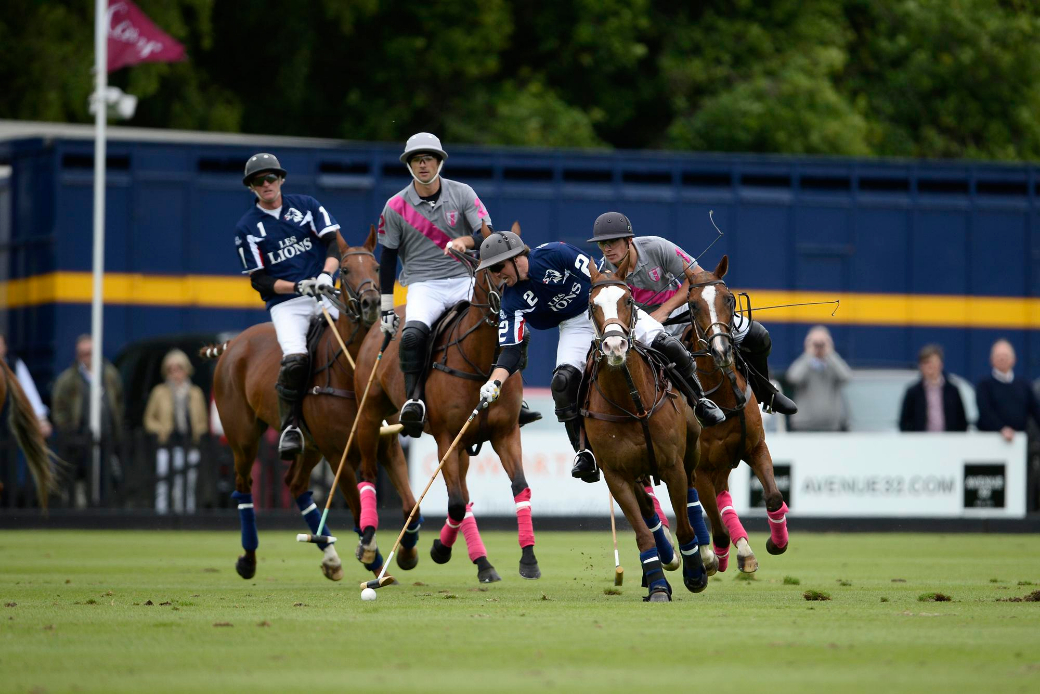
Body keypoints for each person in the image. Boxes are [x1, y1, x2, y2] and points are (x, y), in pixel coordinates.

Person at [472, 230, 725, 483]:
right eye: (491, 271)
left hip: (604, 307)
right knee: (562, 382)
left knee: (665, 343)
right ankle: (584, 452)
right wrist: (494, 382)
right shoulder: (510, 301)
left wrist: (613, 314)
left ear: (516, 258)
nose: (496, 276)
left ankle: (699, 401)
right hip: (574, 325)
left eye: (498, 268)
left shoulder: (555, 253)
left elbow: (603, 279)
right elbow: (511, 350)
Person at [377, 132, 538, 437]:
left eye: (428, 159)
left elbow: (487, 235)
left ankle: (515, 397)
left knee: (515, 330)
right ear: (409, 165)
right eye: (416, 160)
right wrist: (387, 306)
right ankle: (414, 401)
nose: (423, 165)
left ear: (439, 162)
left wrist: (466, 240)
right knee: (411, 336)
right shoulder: (395, 206)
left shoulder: (462, 193)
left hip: (465, 277)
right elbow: (387, 257)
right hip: (424, 284)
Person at [590, 211, 797, 415]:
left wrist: (665, 309)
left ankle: (767, 393)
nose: (607, 249)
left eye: (613, 241)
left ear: (628, 240)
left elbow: (696, 277)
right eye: (602, 244)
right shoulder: (603, 271)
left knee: (757, 335)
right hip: (646, 326)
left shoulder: (657, 247)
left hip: (681, 310)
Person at [233, 152, 343, 459]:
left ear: (281, 179)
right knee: (296, 359)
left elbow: (333, 243)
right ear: (252, 187)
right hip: (286, 303)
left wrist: (325, 273)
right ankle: (291, 425)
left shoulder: (306, 206)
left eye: (271, 177)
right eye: (259, 180)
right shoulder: (247, 228)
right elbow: (260, 281)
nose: (266, 184)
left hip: (323, 291)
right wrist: (296, 286)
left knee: (363, 335)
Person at [51, 334, 124, 505]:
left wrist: (115, 424)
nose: (87, 357)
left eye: (90, 352)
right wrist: (68, 428)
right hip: (78, 438)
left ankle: (106, 510)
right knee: (77, 477)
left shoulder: (110, 375)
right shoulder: (68, 379)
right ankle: (77, 511)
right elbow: (59, 407)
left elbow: (119, 401)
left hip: (106, 436)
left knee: (107, 476)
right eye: (83, 353)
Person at [144, 349, 208, 514]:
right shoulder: (159, 392)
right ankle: (162, 517)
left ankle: (186, 517)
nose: (175, 372)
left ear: (186, 369)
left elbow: (202, 420)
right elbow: (149, 419)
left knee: (187, 486)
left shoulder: (195, 393)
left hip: (189, 445)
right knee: (163, 485)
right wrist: (161, 430)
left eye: (179, 367)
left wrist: (197, 432)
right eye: (170, 369)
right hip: (166, 444)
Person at [785, 325, 851, 432]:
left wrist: (830, 353)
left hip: (831, 425)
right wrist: (808, 354)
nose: (819, 347)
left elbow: (846, 377)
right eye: (815, 343)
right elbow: (793, 377)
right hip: (804, 425)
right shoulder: (805, 363)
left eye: (822, 343)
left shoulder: (832, 365)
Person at [976, 339, 1040, 442]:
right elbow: (985, 412)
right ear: (991, 359)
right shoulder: (984, 385)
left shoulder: (1024, 385)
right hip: (990, 442)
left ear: (1014, 359)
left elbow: (1036, 411)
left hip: (1019, 442)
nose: (1002, 358)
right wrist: (1001, 429)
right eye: (998, 355)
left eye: (1005, 355)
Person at [898, 344, 968, 432]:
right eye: (926, 363)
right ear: (921, 366)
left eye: (934, 362)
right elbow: (905, 422)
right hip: (921, 442)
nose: (930, 366)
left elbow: (961, 421)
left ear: (941, 364)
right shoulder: (913, 392)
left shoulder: (952, 390)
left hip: (949, 441)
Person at [0, 334, 52, 437]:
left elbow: (29, 391)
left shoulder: (14, 365)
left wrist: (40, 418)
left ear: (5, 347)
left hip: (7, 424)